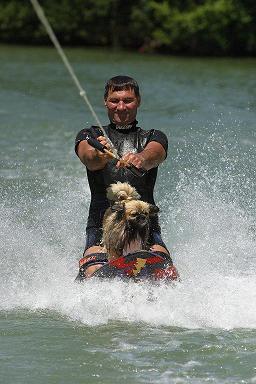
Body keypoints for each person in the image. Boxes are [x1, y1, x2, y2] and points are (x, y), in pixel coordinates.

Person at [75, 75, 170, 277]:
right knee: (93, 270)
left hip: (145, 225)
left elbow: (156, 153)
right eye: (114, 101)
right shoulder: (89, 136)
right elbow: (89, 158)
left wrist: (141, 159)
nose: (121, 106)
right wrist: (99, 154)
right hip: (102, 225)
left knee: (167, 272)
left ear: (138, 101)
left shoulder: (153, 137)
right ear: (105, 102)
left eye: (128, 100)